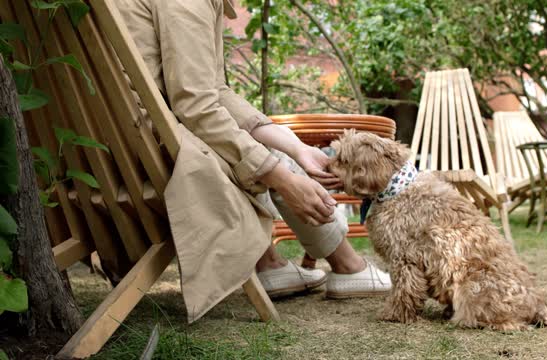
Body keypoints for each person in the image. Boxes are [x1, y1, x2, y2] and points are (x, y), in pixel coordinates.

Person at [117, 0, 391, 308]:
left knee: (257, 145)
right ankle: (347, 266)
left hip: (117, 150)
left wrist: (296, 147)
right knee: (247, 152)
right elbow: (195, 106)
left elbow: (213, 92)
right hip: (146, 154)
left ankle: (271, 265)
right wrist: (283, 178)